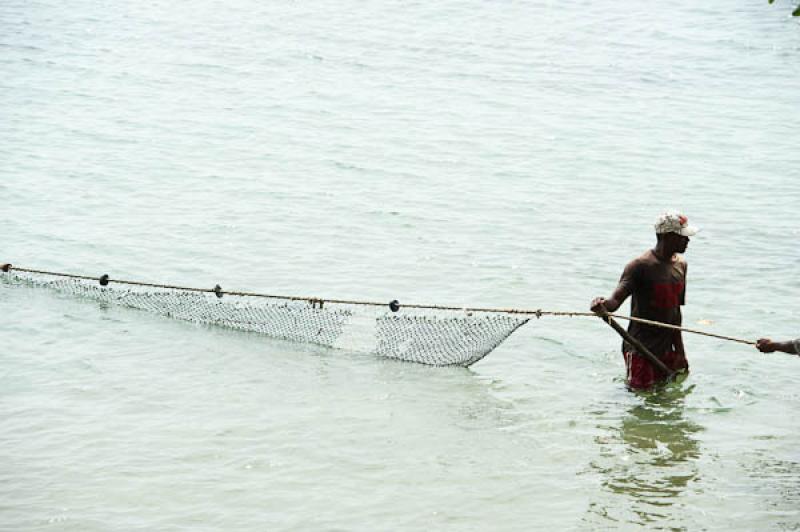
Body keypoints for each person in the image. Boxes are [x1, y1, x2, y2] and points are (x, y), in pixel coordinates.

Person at [590, 211, 699, 389]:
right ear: (667, 237)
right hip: (640, 347)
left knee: (666, 399)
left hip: (666, 348)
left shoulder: (681, 265)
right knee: (639, 398)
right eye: (683, 237)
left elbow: (675, 312)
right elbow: (614, 302)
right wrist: (602, 305)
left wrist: (680, 351)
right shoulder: (639, 266)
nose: (688, 241)